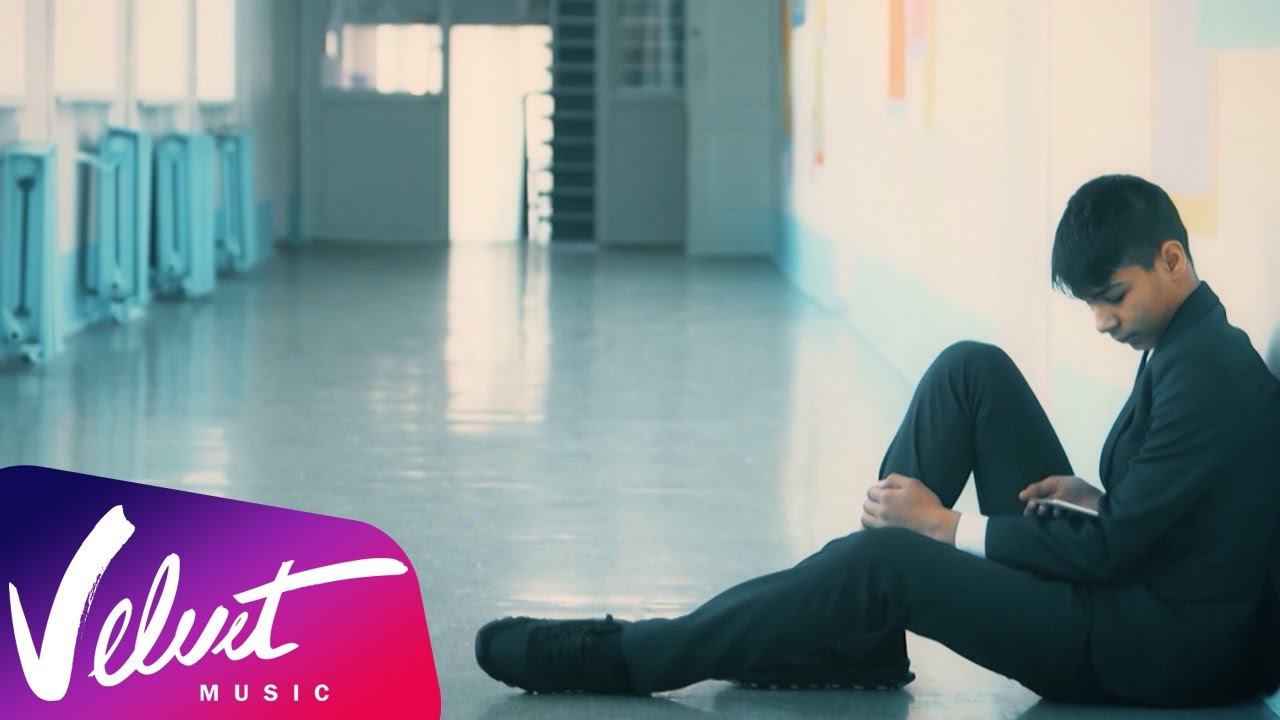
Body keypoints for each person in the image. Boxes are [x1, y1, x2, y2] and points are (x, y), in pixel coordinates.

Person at [474, 175, 1280, 707]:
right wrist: (1095, 499)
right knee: (971, 371)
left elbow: (1115, 552)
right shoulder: (1189, 345)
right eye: (1091, 305)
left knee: (888, 559)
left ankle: (636, 655)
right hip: (1136, 586)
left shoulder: (1208, 372)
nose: (1102, 321)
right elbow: (1172, 519)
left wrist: (945, 527)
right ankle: (860, 634)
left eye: (1113, 297)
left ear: (1172, 259)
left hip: (1152, 650)